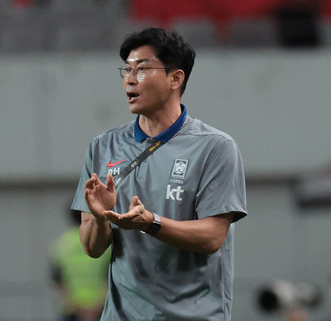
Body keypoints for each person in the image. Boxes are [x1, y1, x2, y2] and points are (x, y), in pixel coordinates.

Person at [71, 27, 247, 321]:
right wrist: (101, 216)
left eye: (141, 69)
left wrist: (151, 222)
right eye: (126, 69)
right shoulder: (103, 147)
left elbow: (213, 236)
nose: (129, 79)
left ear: (175, 78)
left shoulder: (216, 147)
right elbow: (91, 248)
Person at [49, 207, 111, 321]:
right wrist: (97, 307)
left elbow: (57, 281)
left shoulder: (61, 244)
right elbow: (112, 277)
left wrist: (77, 307)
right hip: (101, 310)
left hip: (73, 311)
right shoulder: (106, 243)